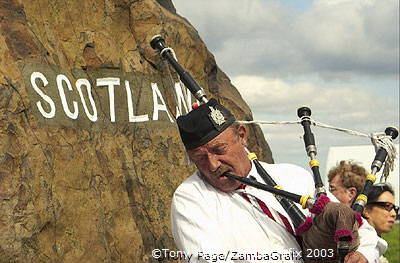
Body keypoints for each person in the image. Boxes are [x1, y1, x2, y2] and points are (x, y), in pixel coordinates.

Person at [171, 99, 376, 263]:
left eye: (219, 150)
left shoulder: (293, 176)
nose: (213, 165)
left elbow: (361, 229)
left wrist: (363, 254)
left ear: (242, 135)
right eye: (199, 158)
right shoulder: (190, 198)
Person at [363, 184, 398, 263]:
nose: (394, 214)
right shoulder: (360, 247)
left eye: (394, 208)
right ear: (366, 210)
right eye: (387, 206)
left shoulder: (376, 245)